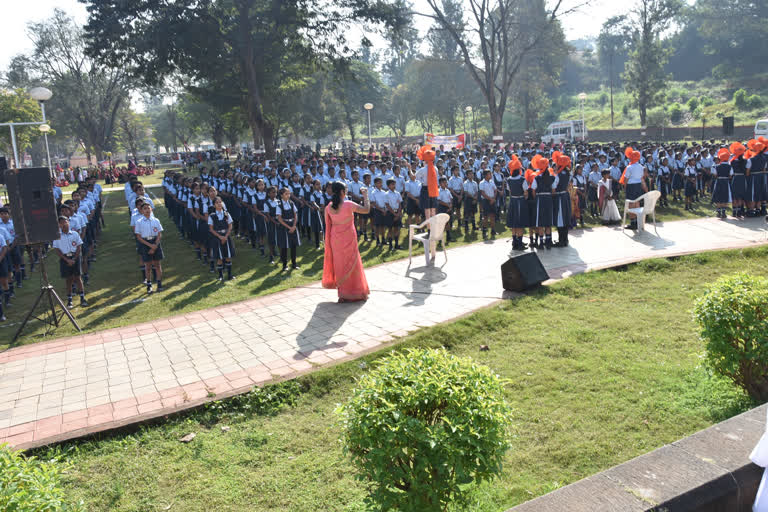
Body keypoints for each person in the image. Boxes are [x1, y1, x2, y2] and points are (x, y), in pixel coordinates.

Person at [322, 182, 370, 303]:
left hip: (335, 239)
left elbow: (328, 225)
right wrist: (365, 195)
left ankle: (343, 294)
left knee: (340, 265)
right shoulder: (348, 205)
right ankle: (357, 292)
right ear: (342, 192)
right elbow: (366, 210)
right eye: (346, 189)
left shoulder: (329, 207)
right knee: (353, 263)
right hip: (348, 237)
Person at [51, 215, 88, 308]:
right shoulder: (57, 236)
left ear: (68, 222)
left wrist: (74, 259)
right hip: (65, 259)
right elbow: (57, 249)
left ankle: (82, 298)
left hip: (75, 257)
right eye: (61, 223)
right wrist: (66, 259)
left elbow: (79, 246)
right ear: (58, 225)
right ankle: (70, 299)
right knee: (68, 279)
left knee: (78, 277)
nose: (64, 224)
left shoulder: (75, 234)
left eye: (65, 222)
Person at [135, 203, 165, 293]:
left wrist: (155, 245)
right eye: (145, 209)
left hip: (155, 242)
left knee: (157, 264)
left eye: (148, 208)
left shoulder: (156, 220)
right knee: (148, 266)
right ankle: (149, 285)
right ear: (141, 211)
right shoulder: (139, 222)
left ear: (151, 209)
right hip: (146, 243)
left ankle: (159, 284)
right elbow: (139, 237)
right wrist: (150, 246)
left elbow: (159, 233)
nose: (147, 210)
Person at [208, 196, 235, 280]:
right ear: (214, 205)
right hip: (217, 238)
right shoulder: (212, 216)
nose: (219, 204)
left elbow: (230, 226)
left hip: (226, 237)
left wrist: (225, 237)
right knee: (219, 257)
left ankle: (230, 275)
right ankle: (220, 276)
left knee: (228, 256)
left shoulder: (226, 214)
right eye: (217, 202)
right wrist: (220, 237)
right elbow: (211, 229)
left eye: (220, 202)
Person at [276, 187, 301, 271]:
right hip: (284, 227)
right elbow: (279, 219)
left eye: (289, 193)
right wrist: (289, 227)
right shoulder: (279, 205)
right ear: (281, 195)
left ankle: (294, 264)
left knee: (293, 245)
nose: (288, 195)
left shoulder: (291, 203)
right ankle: (284, 265)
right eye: (286, 194)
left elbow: (295, 215)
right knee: (284, 247)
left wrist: (294, 226)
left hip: (292, 225)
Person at [712, 148, 733, 219]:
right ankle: (723, 212)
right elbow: (730, 175)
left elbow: (715, 175)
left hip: (718, 181)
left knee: (718, 196)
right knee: (725, 196)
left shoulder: (717, 166)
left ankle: (718, 212)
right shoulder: (730, 167)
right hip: (726, 182)